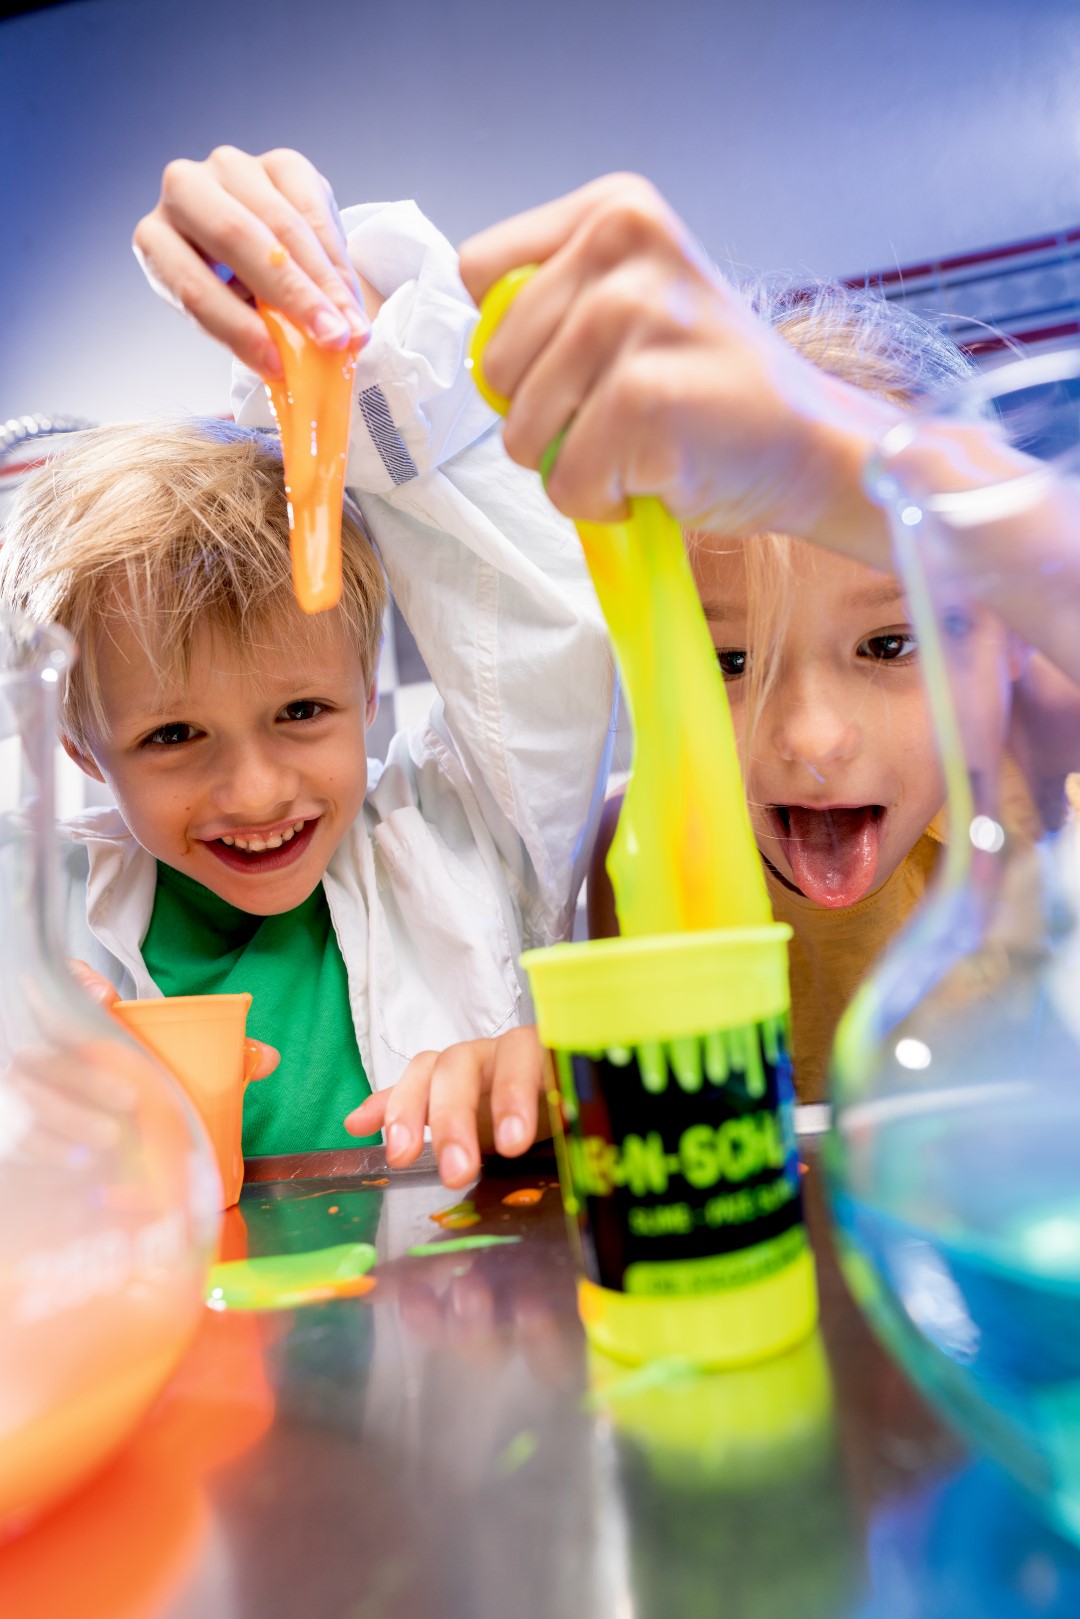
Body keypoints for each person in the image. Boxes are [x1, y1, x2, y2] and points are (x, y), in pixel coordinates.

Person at [3, 163, 616, 1187]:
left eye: (301, 710)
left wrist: (343, 332)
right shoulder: (37, 915)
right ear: (80, 746)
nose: (254, 791)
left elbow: (541, 617)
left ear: (366, 694)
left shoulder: (465, 836)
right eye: (172, 735)